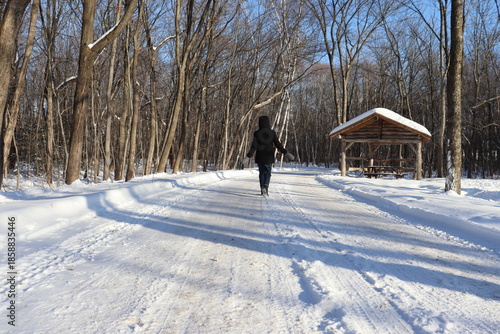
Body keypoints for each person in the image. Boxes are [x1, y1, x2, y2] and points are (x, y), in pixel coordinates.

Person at [244, 115, 294, 196]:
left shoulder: (257, 133)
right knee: (267, 173)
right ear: (268, 123)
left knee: (261, 173)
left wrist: (248, 156)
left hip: (260, 156)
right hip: (269, 156)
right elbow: (278, 144)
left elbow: (254, 146)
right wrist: (285, 153)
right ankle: (265, 188)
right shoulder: (272, 133)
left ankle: (262, 189)